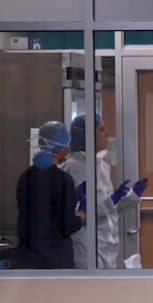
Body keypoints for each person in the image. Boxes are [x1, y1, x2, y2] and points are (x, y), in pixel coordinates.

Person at [60, 114, 146, 269]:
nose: (107, 133)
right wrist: (111, 200)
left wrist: (131, 197)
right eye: (101, 129)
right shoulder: (74, 168)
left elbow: (107, 208)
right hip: (87, 246)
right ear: (88, 136)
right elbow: (80, 213)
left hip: (107, 245)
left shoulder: (101, 166)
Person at [15, 120, 83, 269]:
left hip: (28, 259)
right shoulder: (63, 180)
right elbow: (67, 226)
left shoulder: (25, 177)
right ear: (62, 147)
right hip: (56, 260)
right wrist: (81, 214)